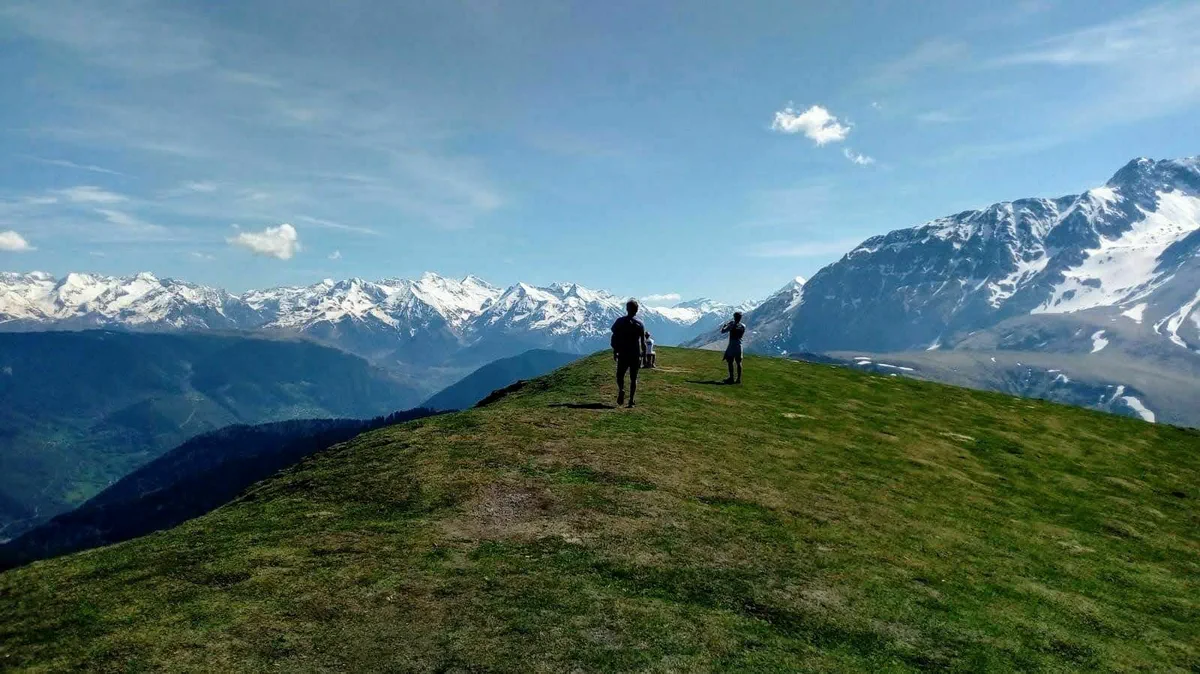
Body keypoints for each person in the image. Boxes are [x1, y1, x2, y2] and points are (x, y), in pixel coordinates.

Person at [610, 299, 647, 408]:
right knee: (633, 378)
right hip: (635, 353)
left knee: (620, 375)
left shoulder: (619, 321)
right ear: (637, 310)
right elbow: (643, 342)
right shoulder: (640, 324)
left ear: (627, 309)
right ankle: (631, 401)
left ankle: (621, 389)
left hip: (623, 352)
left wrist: (615, 350)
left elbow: (614, 337)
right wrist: (644, 356)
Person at [720, 311, 746, 384]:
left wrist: (725, 325)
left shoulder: (732, 325)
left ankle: (731, 378)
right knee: (739, 362)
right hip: (739, 345)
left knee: (730, 361)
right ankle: (738, 379)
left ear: (734, 317)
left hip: (732, 345)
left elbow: (723, 331)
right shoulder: (743, 326)